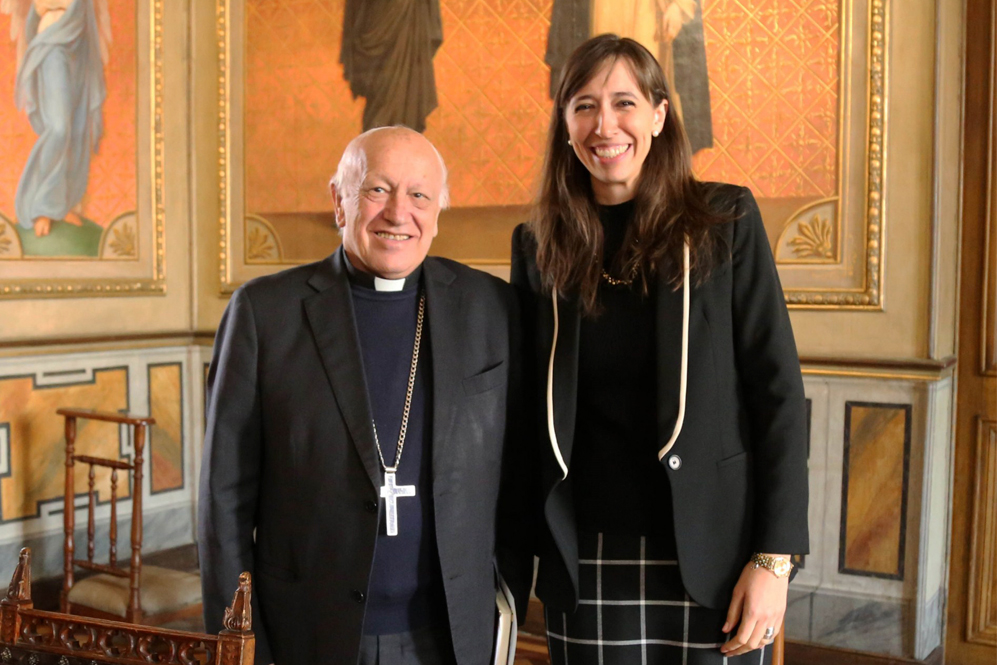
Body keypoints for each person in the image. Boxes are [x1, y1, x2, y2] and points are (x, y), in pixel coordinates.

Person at [511, 35, 809, 664]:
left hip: (713, 555)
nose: (605, 125)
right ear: (565, 124)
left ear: (658, 116)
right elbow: (518, 412)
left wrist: (774, 559)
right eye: (584, 106)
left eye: (624, 102)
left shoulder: (723, 222)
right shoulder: (538, 246)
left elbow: (776, 392)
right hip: (585, 557)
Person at [199, 126, 533, 665]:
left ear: (438, 211)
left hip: (451, 634)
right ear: (339, 200)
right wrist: (238, 639)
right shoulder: (265, 313)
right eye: (377, 190)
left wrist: (502, 592)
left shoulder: (490, 308)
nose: (399, 213)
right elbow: (223, 498)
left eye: (420, 195)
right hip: (307, 632)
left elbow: (518, 474)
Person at [3, 0, 111, 237]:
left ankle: (63, 204)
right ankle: (42, 205)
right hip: (51, 48)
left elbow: (77, 7)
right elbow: (37, 11)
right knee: (59, 128)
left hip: (77, 48)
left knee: (76, 128)